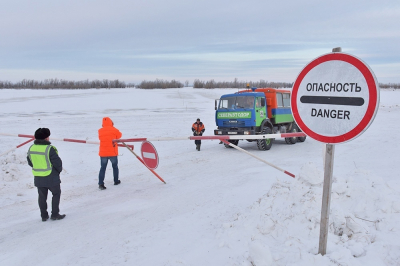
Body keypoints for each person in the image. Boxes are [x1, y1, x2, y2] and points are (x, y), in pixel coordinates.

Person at [27, 128, 66, 221]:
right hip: (51, 176)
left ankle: (44, 216)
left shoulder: (31, 148)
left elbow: (30, 162)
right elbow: (57, 163)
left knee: (42, 197)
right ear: (46, 138)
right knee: (56, 194)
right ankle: (55, 214)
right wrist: (57, 171)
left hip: (38, 177)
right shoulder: (49, 148)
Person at [98, 117, 122, 190]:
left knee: (103, 168)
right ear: (111, 122)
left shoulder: (100, 131)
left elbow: (100, 138)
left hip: (103, 153)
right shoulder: (114, 130)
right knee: (115, 167)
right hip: (113, 152)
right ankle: (116, 181)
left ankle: (101, 183)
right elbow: (119, 136)